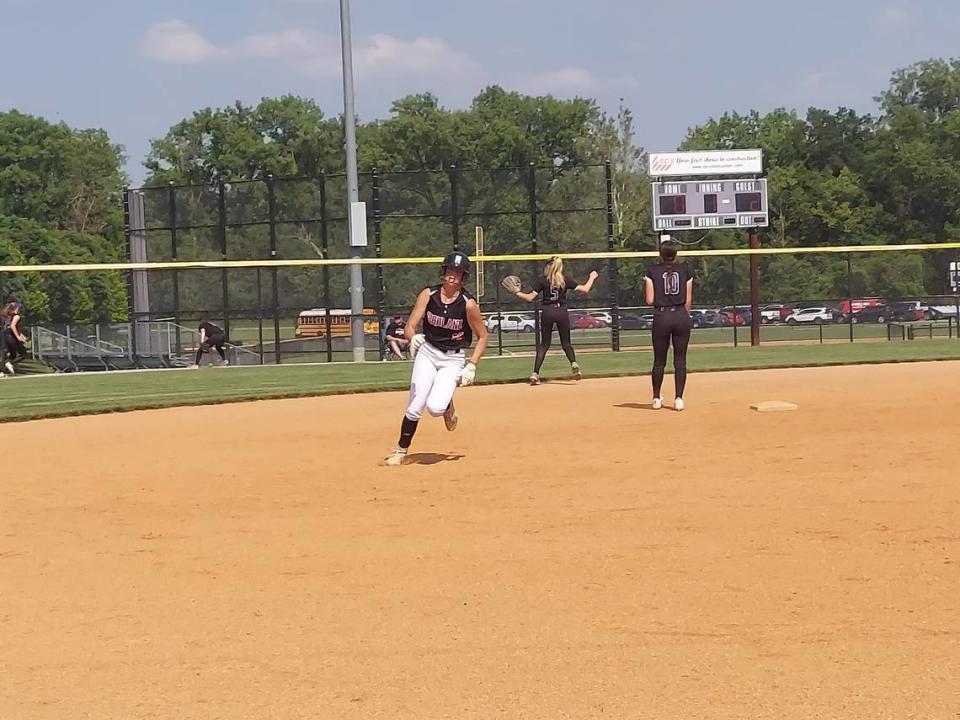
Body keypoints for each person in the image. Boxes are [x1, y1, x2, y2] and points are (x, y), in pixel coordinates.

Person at [384, 251, 489, 466]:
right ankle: (401, 450)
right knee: (415, 405)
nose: (453, 275)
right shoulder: (428, 295)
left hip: (453, 358)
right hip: (428, 352)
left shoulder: (468, 304)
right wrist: (413, 338)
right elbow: (410, 326)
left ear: (463, 277)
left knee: (435, 408)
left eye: (458, 272)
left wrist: (472, 365)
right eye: (450, 270)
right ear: (443, 271)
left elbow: (483, 336)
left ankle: (447, 405)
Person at [508, 257, 598, 385]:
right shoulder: (565, 280)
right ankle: (574, 364)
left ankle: (535, 373)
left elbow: (529, 298)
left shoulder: (543, 281)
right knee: (566, 343)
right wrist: (592, 278)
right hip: (561, 311)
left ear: (548, 267)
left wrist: (517, 292)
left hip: (547, 312)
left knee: (544, 344)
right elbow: (585, 290)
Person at [644, 237, 693, 411]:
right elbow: (688, 300)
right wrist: (682, 315)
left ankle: (656, 398)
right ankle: (679, 399)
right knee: (680, 361)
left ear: (660, 254)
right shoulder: (685, 269)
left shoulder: (652, 270)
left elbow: (649, 299)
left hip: (662, 316)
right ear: (676, 254)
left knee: (659, 361)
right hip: (680, 315)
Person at [1, 302, 28, 376]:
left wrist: (21, 335)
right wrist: (18, 337)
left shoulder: (8, 317)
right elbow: (13, 326)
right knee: (23, 354)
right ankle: (9, 363)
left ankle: (4, 367)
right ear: (15, 308)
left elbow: (8, 328)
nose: (19, 309)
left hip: (6, 336)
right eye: (18, 308)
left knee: (12, 354)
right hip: (11, 337)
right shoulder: (17, 316)